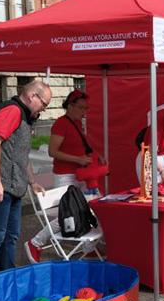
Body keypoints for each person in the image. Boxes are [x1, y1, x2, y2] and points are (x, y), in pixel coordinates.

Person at [0, 80, 51, 281]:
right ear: (32, 96)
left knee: (10, 236)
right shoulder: (12, 111)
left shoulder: (23, 116)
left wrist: (32, 181)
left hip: (12, 187)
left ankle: (7, 280)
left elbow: (20, 154)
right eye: (44, 104)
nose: (44, 109)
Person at [24, 89, 104, 263]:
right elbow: (53, 152)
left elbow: (81, 146)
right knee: (70, 213)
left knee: (94, 208)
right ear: (70, 106)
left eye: (86, 108)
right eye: (81, 107)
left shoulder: (77, 123)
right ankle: (35, 242)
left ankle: (88, 247)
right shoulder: (61, 124)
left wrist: (95, 156)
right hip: (66, 175)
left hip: (81, 174)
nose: (84, 112)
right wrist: (78, 159)